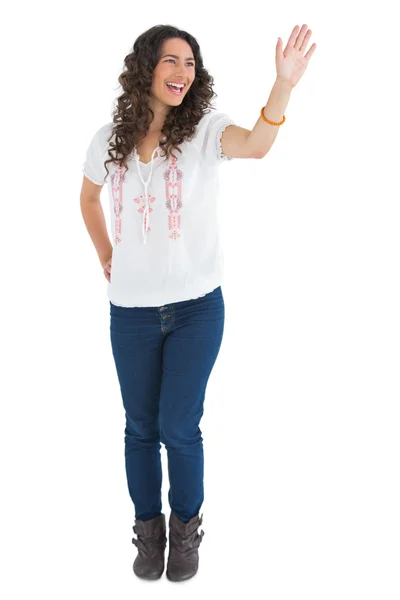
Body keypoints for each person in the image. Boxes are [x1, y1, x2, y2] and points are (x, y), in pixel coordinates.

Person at [80, 23, 316, 583]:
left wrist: (282, 85)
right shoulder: (108, 138)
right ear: (145, 68)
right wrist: (105, 253)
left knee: (178, 425)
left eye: (190, 63)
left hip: (196, 311)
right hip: (130, 313)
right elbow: (88, 197)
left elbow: (256, 145)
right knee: (139, 426)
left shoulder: (206, 131)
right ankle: (148, 530)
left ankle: (186, 530)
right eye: (170, 61)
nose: (182, 72)